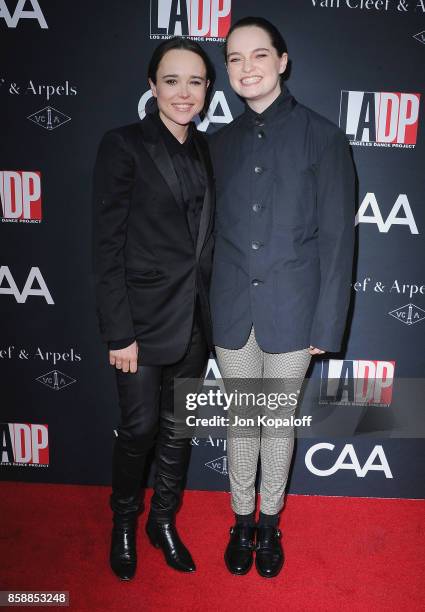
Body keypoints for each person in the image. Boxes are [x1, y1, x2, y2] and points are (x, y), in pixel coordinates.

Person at [209, 17, 355, 578]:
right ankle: (240, 521)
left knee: (277, 420)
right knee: (241, 419)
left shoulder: (322, 135)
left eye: (258, 55)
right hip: (230, 310)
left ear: (282, 61)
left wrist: (327, 326)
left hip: (296, 312)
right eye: (235, 59)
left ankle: (270, 525)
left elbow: (341, 238)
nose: (247, 68)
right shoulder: (217, 144)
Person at [92, 37, 215, 581]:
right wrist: (119, 333)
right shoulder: (123, 145)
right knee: (139, 429)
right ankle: (124, 521)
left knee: (178, 429)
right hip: (140, 324)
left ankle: (161, 522)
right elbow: (106, 246)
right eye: (172, 80)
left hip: (195, 321)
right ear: (151, 86)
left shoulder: (208, 147)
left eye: (195, 81)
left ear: (208, 89)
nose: (184, 92)